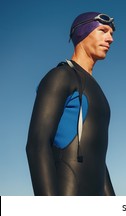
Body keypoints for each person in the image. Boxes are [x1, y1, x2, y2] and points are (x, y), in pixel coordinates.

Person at [26, 12, 116, 195]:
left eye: (112, 34)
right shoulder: (61, 76)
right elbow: (37, 144)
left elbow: (98, 159)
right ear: (82, 32)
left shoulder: (97, 90)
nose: (110, 39)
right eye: (103, 31)